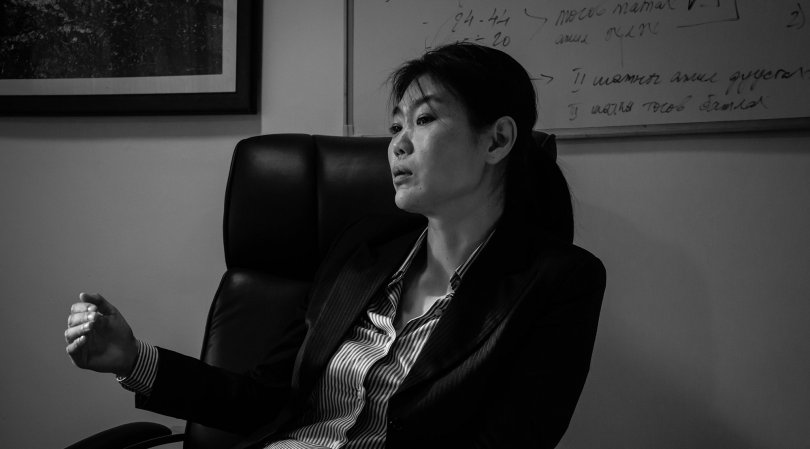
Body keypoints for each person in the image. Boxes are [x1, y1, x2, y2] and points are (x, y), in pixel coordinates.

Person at [65, 42, 606, 448]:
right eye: (395, 127)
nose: (397, 144)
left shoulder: (557, 282)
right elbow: (263, 399)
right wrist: (131, 358)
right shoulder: (360, 252)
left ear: (497, 139)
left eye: (423, 119)